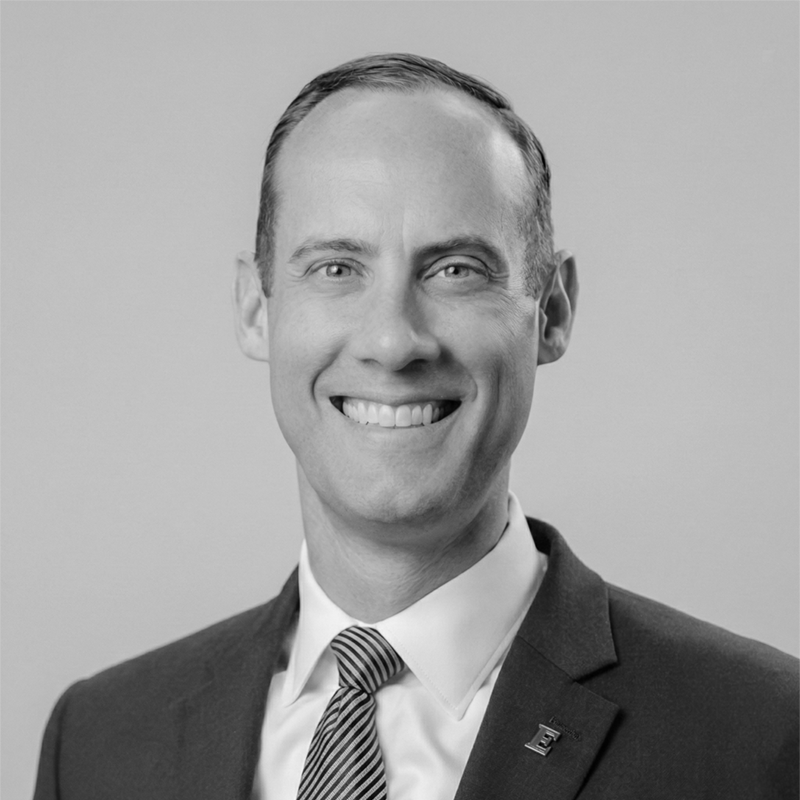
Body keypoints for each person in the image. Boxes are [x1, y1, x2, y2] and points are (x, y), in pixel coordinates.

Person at [33, 53, 800, 800]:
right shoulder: (100, 742)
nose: (394, 341)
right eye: (337, 268)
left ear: (553, 312)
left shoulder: (760, 735)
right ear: (255, 308)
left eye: (456, 269)